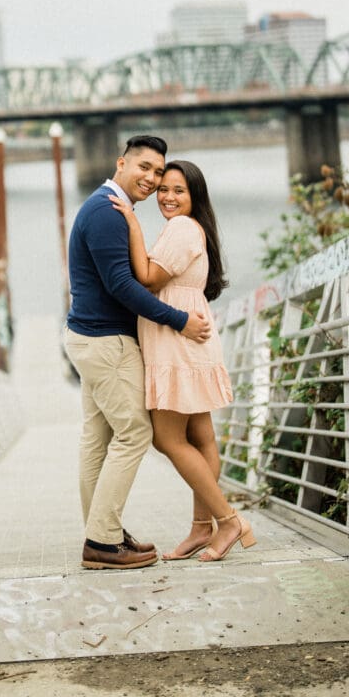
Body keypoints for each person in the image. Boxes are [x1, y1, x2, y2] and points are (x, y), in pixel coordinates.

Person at [64, 135, 212, 571]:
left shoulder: (105, 207)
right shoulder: (108, 212)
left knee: (98, 440)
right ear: (121, 163)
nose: (150, 179)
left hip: (89, 338)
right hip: (106, 341)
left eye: (157, 172)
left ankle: (101, 533)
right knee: (134, 435)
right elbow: (124, 286)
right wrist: (179, 319)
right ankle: (104, 542)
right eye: (144, 168)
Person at [109, 159, 256, 562]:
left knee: (167, 438)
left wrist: (133, 227)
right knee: (200, 436)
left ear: (194, 197)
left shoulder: (181, 228)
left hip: (179, 340)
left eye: (179, 191)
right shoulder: (192, 229)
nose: (168, 197)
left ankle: (227, 521)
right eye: (164, 190)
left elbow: (149, 278)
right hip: (186, 338)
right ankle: (200, 528)